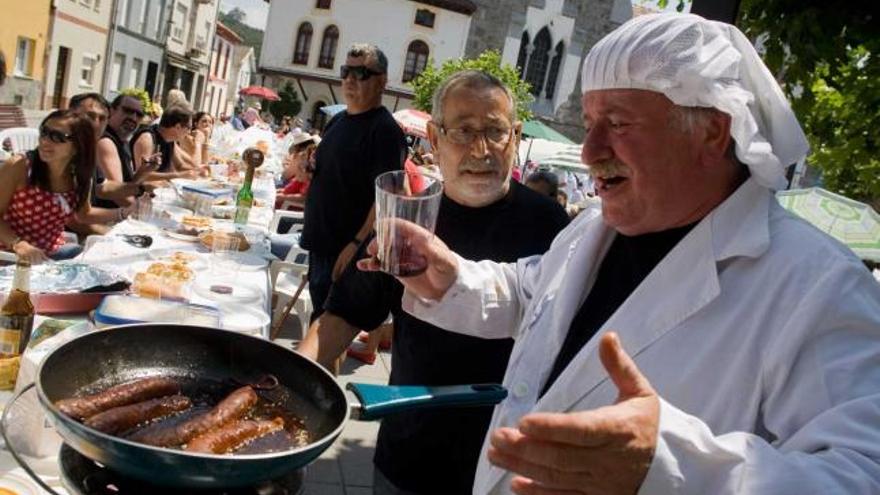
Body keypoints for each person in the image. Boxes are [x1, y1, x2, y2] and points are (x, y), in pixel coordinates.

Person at [357, 13, 880, 494]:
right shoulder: (596, 226)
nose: (590, 150)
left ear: (713, 132)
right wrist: (449, 277)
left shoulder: (818, 285)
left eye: (619, 122)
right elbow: (532, 295)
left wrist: (672, 464)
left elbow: (863, 472)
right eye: (590, 122)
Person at [299, 70, 570, 494]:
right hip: (410, 451)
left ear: (515, 137)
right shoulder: (406, 219)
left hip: (508, 460)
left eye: (495, 131)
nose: (480, 150)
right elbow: (342, 317)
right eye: (463, 131)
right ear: (434, 137)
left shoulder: (553, 226)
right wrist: (287, 383)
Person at [300, 43, 407, 321]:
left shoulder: (384, 130)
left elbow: (387, 197)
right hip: (321, 242)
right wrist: (309, 169)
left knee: (328, 329)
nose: (349, 79)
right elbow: (330, 172)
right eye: (346, 71)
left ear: (382, 81)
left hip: (344, 247)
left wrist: (356, 245)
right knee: (319, 318)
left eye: (361, 73)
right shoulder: (338, 121)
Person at [0, 110, 133, 263]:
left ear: (78, 145)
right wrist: (19, 244)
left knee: (112, 262)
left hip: (51, 253)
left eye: (57, 137)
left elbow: (84, 215)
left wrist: (121, 219)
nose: (45, 141)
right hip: (10, 255)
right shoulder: (20, 166)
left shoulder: (79, 175)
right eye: (44, 132)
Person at [92, 94, 158, 210]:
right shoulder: (106, 141)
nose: (133, 118)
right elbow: (119, 196)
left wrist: (143, 171)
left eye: (139, 115)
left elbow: (126, 186)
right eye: (128, 111)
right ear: (112, 111)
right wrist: (143, 211)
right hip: (105, 217)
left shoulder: (123, 141)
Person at [131, 105, 196, 183]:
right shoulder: (147, 138)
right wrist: (178, 175)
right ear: (178, 127)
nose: (189, 132)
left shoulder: (170, 140)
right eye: (189, 128)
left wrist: (198, 170)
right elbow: (140, 176)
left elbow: (180, 165)